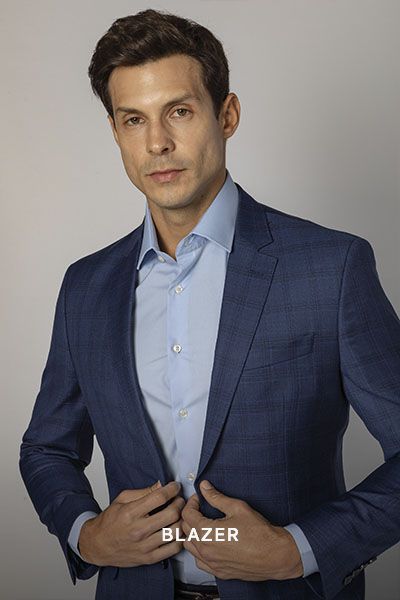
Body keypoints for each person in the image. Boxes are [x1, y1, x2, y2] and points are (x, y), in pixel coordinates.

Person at [19, 8, 400, 600]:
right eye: (134, 119)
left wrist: (298, 549)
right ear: (115, 132)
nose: (157, 143)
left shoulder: (332, 268)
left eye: (179, 111)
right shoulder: (86, 287)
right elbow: (46, 448)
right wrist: (85, 534)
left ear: (227, 115)